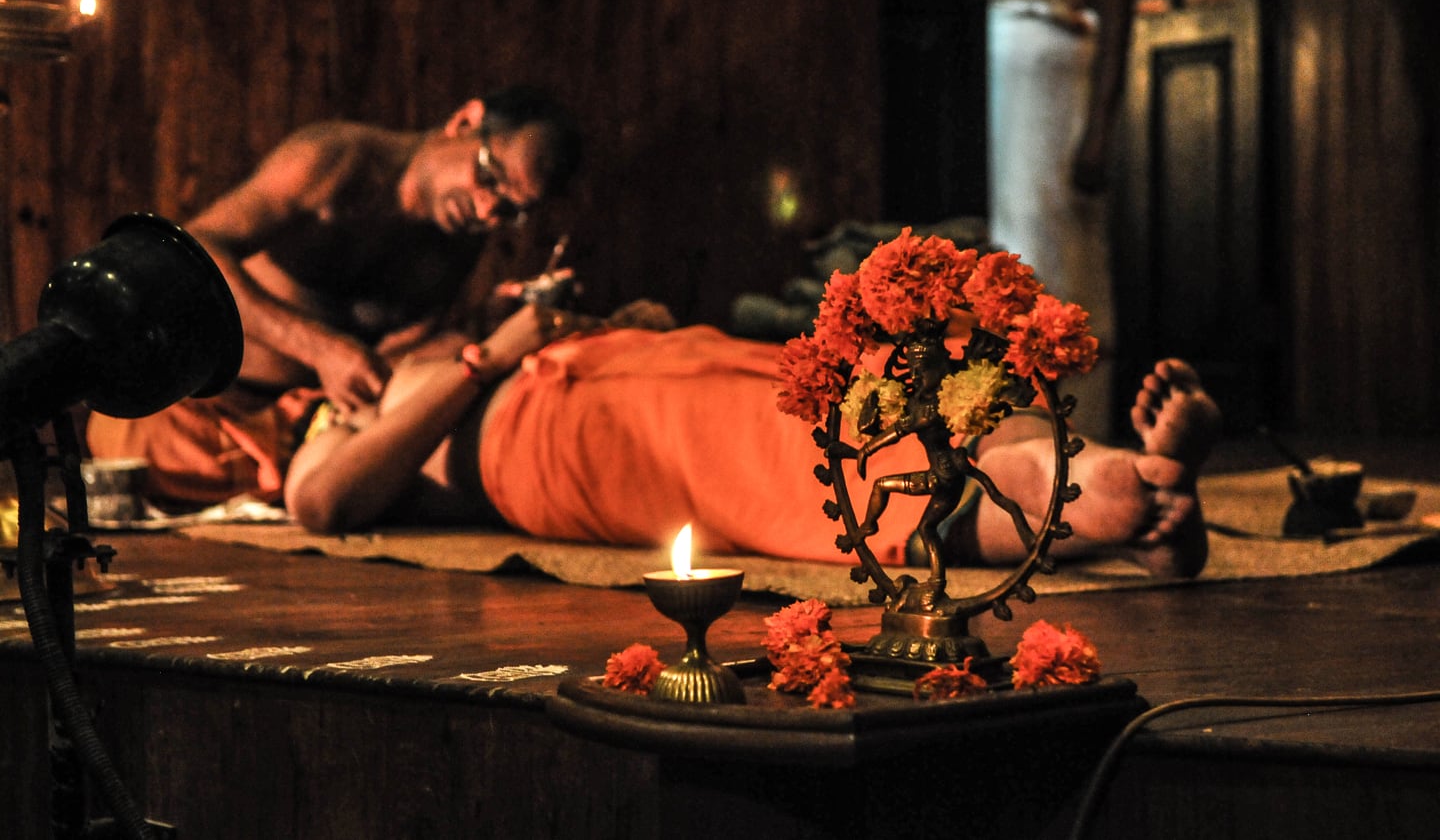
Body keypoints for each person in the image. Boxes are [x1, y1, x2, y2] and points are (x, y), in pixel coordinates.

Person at [284, 302, 1221, 581]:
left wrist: (605, 321)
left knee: (863, 387)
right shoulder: (338, 418)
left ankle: (1096, 472)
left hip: (642, 361)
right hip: (548, 440)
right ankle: (1092, 503)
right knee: (780, 475)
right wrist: (487, 359)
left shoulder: (427, 345)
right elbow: (320, 505)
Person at [86, 86, 583, 509]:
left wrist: (486, 323)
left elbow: (395, 356)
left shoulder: (460, 238)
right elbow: (194, 252)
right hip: (190, 410)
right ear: (465, 121)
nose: (487, 207)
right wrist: (321, 349)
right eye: (489, 176)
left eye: (513, 209)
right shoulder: (338, 161)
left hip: (303, 433)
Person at [987, 0, 1139, 440]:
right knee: (1006, 238)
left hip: (1056, 95)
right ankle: (1014, 424)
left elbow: (1119, 30)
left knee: (1057, 241)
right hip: (998, 93)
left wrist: (1099, 130)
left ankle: (1079, 423)